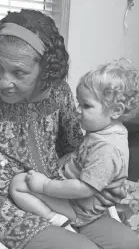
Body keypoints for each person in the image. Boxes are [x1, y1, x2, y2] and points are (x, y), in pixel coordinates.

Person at [0, 9, 139, 249]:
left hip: (56, 193)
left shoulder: (59, 94)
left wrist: (107, 181)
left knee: (129, 245)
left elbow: (78, 151)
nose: (4, 81)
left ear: (46, 69)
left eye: (19, 72)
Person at [9, 58, 139, 231]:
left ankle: (56, 220)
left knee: (18, 184)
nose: (77, 110)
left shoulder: (107, 148)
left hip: (81, 208)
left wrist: (45, 186)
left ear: (116, 111)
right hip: (83, 199)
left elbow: (84, 189)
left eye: (86, 105)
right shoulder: (105, 131)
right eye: (79, 102)